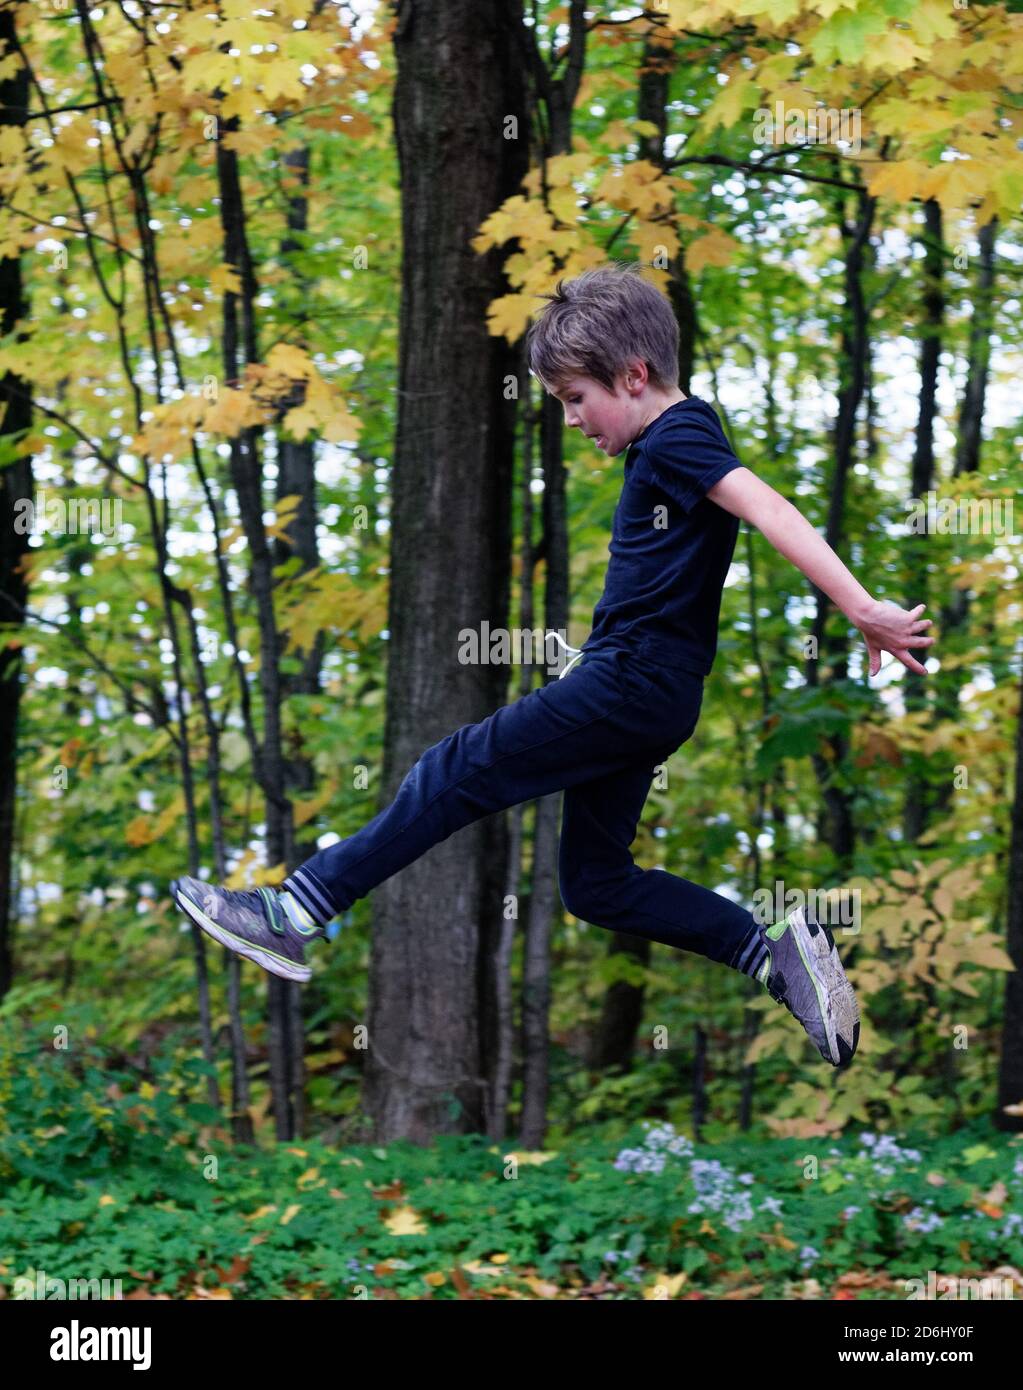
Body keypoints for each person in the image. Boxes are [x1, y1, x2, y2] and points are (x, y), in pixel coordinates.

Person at [172, 262, 936, 1068]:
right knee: (596, 884)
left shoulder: (675, 433)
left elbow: (768, 507)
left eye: (575, 398)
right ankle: (771, 954)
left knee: (454, 766)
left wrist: (860, 608)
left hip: (631, 683)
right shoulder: (669, 447)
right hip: (650, 693)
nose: (571, 419)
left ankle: (294, 910)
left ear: (634, 376)